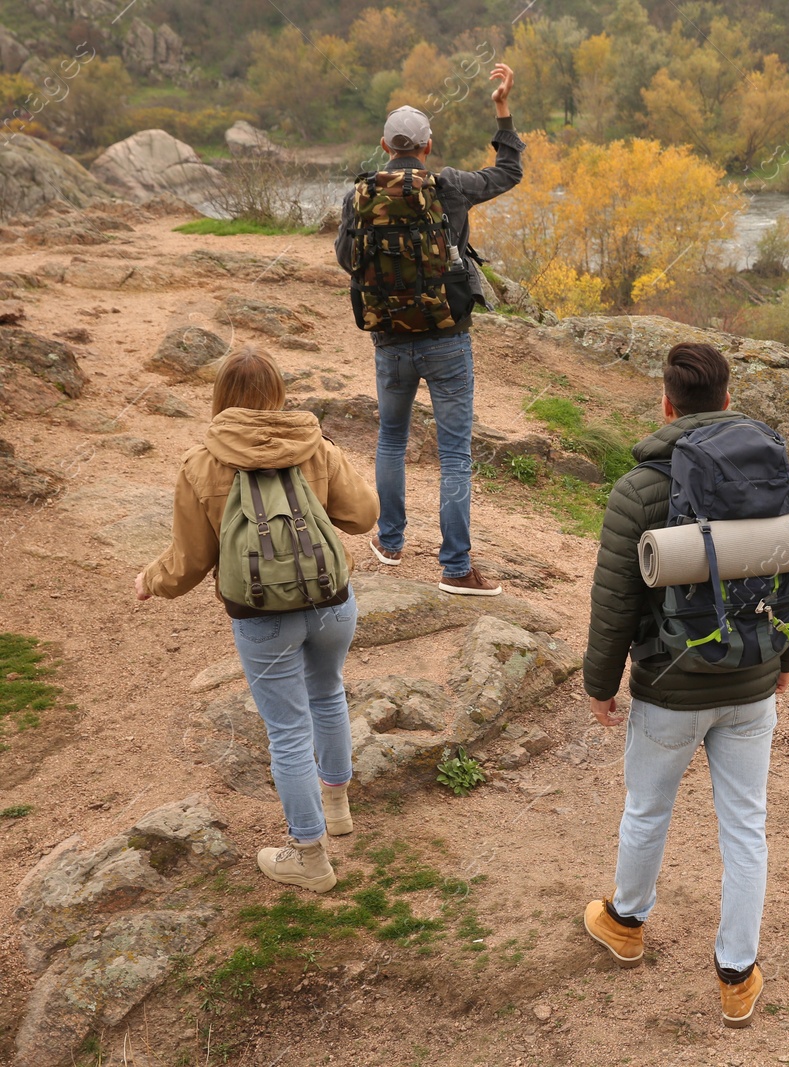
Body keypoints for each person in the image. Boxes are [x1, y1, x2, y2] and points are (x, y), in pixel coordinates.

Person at [580, 342, 789, 1029]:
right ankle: (737, 975)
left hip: (669, 686)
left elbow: (614, 601)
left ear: (666, 400)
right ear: (729, 396)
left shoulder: (641, 488)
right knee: (746, 825)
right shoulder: (774, 472)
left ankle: (625, 922)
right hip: (751, 681)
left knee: (647, 808)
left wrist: (601, 682)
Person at [135, 347, 378, 892]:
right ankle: (336, 807)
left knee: (288, 730)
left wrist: (151, 579)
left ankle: (311, 859)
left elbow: (191, 562)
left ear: (221, 396)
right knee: (329, 693)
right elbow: (364, 516)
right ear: (278, 393)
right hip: (331, 601)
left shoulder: (202, 463)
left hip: (261, 616)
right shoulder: (315, 446)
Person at [333, 63, 522, 597]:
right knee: (455, 453)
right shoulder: (451, 187)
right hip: (446, 336)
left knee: (391, 438)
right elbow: (508, 174)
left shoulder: (359, 196)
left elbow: (349, 260)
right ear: (428, 145)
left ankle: (390, 544)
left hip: (389, 339)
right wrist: (502, 110)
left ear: (384, 144)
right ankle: (456, 567)